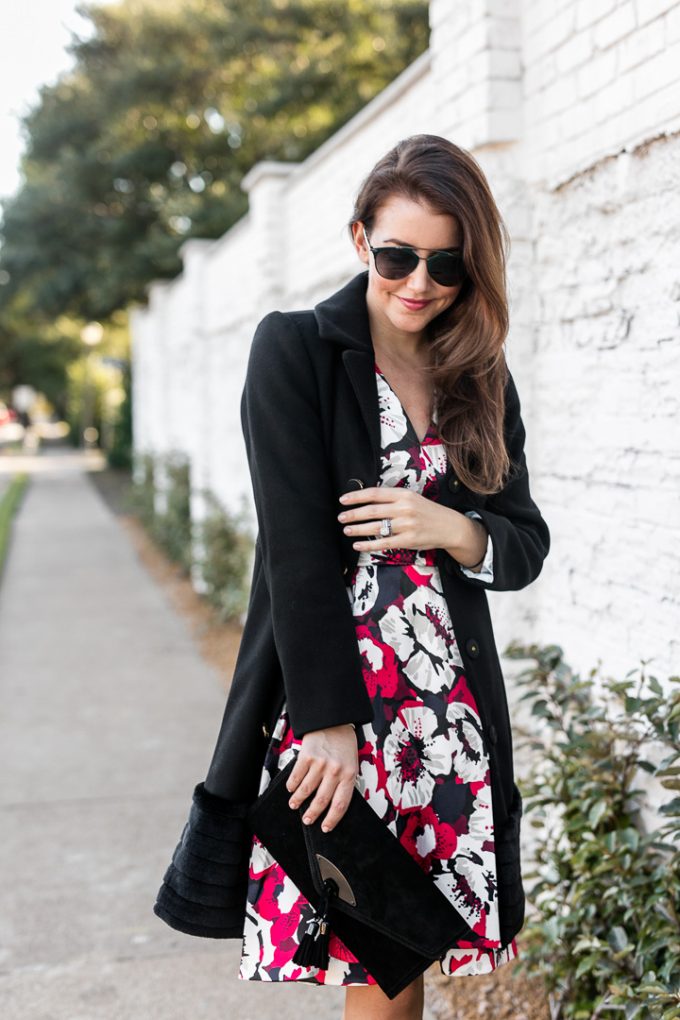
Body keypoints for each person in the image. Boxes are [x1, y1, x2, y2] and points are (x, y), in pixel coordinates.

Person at [155, 134, 550, 1020]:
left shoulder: (478, 374)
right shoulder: (295, 349)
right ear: (360, 239)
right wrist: (328, 725)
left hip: (448, 713)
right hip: (350, 709)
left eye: (446, 264)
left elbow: (524, 544)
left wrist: (455, 528)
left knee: (405, 959)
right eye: (399, 255)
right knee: (381, 955)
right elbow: (293, 552)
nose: (420, 282)